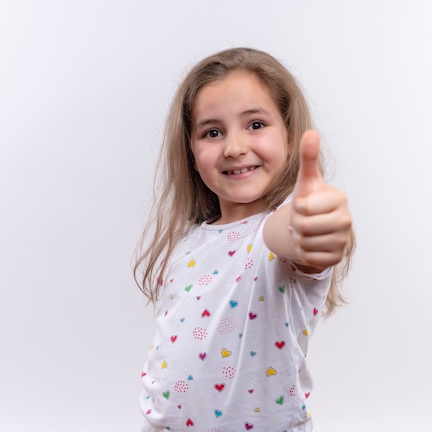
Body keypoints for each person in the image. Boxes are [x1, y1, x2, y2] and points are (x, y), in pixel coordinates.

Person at [133, 47, 355, 432]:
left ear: (288, 131)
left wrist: (313, 224)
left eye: (255, 124)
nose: (234, 148)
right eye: (212, 132)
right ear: (191, 149)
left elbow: (292, 236)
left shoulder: (275, 235)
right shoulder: (187, 243)